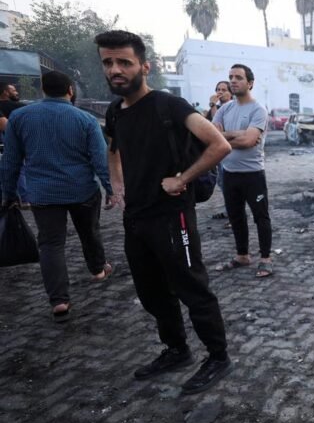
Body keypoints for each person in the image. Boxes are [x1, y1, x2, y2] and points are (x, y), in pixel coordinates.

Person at [96, 30, 234, 395]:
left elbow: (219, 145)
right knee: (152, 291)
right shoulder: (114, 111)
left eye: (123, 62)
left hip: (174, 216)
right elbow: (114, 149)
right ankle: (177, 350)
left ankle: (218, 357)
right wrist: (117, 185)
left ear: (144, 66)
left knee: (192, 288)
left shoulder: (168, 105)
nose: (115, 70)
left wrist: (183, 178)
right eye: (108, 63)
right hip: (136, 218)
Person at [0, 71, 114, 322]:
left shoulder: (19, 117)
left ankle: (59, 301)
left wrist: (9, 194)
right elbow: (99, 159)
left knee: (51, 244)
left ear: (43, 89)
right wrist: (110, 190)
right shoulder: (85, 119)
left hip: (43, 193)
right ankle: (97, 270)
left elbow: (10, 161)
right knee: (90, 232)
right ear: (70, 90)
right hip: (82, 189)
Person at [213, 64, 273, 278]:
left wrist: (226, 137)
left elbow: (249, 141)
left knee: (260, 217)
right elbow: (213, 136)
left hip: (253, 174)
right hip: (229, 173)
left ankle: (266, 258)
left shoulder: (258, 110)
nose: (233, 81)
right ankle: (242, 255)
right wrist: (236, 135)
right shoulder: (225, 109)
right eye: (231, 77)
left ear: (250, 83)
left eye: (238, 77)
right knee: (236, 216)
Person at [207, 81, 233, 222]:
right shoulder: (216, 108)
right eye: (218, 89)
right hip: (218, 152)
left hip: (230, 152)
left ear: (231, 93)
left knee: (228, 183)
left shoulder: (233, 108)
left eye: (224, 89)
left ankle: (233, 214)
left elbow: (218, 128)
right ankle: (230, 211)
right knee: (222, 182)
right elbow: (209, 126)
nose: (220, 92)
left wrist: (213, 106)